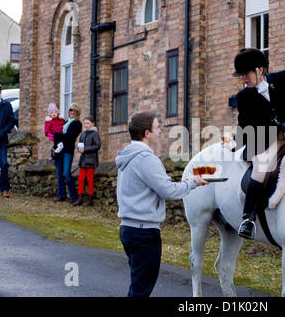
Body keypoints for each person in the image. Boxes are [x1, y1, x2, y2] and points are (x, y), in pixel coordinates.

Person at [116, 111, 208, 297]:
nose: (160, 132)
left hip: (129, 229)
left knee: (137, 287)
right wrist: (193, 183)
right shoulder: (146, 158)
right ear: (147, 133)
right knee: (141, 290)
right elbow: (168, 191)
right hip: (143, 233)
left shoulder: (128, 156)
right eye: (157, 128)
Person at [233, 48, 285, 239]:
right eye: (241, 75)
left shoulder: (282, 79)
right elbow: (244, 124)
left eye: (246, 74)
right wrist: (238, 142)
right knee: (261, 170)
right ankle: (248, 218)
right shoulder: (243, 97)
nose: (243, 79)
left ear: (260, 70)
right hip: (265, 140)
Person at [53, 103, 82, 203]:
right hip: (59, 150)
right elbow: (58, 136)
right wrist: (55, 146)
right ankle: (61, 195)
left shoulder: (77, 124)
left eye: (75, 111)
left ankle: (73, 196)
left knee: (66, 173)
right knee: (59, 173)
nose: (72, 112)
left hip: (68, 151)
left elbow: (70, 137)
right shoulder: (65, 122)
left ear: (77, 113)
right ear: (68, 111)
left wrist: (57, 135)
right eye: (71, 110)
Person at [73, 116, 101, 207]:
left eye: (88, 123)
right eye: (84, 123)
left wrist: (85, 149)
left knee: (89, 179)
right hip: (83, 160)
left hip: (91, 160)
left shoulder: (95, 134)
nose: (86, 125)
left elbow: (97, 146)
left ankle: (90, 199)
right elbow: (81, 146)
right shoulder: (83, 134)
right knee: (80, 179)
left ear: (93, 124)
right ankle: (80, 198)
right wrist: (79, 149)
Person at [0, 83, 15, 198]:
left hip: (2, 140)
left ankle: (5, 189)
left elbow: (11, 121)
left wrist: (3, 131)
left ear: (0, 92)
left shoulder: (7, 105)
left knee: (4, 164)